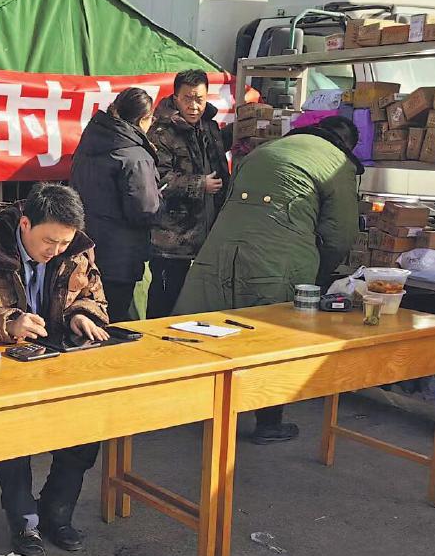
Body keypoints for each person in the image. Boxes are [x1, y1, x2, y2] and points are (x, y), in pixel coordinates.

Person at [0, 184, 110, 556]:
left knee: (89, 422)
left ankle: (57, 510)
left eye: (63, 243)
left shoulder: (75, 246)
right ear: (24, 224)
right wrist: (8, 322)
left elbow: (94, 296)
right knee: (12, 431)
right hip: (2, 364)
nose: (56, 251)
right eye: (48, 241)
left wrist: (81, 314)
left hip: (59, 357)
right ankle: (24, 521)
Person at [176, 116, 363, 444]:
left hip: (221, 250)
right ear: (347, 145)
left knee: (215, 328)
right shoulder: (336, 162)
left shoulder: (263, 151)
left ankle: (200, 407)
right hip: (277, 258)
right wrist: (318, 274)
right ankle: (268, 423)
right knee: (273, 338)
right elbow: (341, 233)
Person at [69, 87, 161, 322]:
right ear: (144, 119)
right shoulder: (135, 155)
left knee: (87, 315)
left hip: (85, 246)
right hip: (121, 254)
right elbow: (144, 209)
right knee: (117, 319)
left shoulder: (90, 141)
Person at [147, 68, 231, 318]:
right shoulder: (161, 132)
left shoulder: (209, 126)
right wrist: (199, 184)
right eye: (187, 99)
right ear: (175, 98)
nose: (194, 106)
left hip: (208, 233)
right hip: (172, 239)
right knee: (165, 301)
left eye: (199, 99)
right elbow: (158, 180)